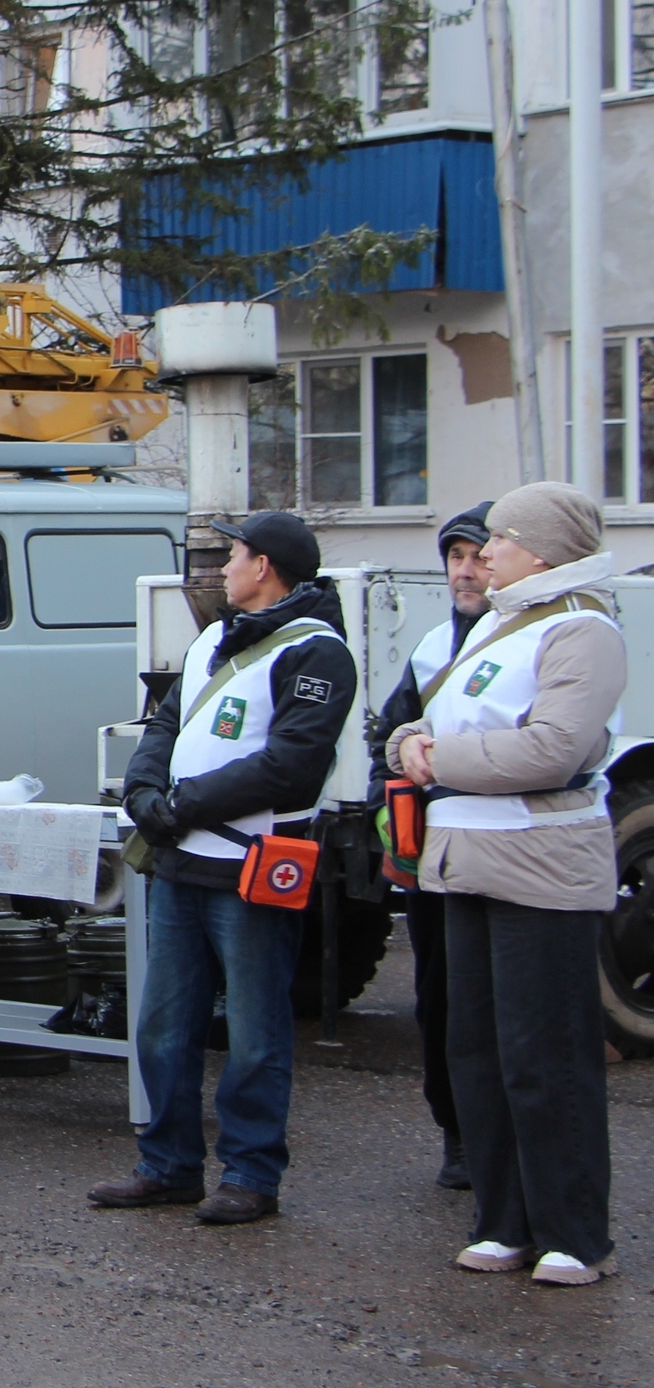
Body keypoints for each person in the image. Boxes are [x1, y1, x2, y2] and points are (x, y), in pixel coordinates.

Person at [387, 483, 628, 1287]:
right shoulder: (492, 626)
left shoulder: (582, 629)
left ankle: (575, 1232)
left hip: (542, 863)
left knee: (544, 1053)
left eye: (499, 539)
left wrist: (437, 759)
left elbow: (551, 751)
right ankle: (502, 1219)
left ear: (545, 549)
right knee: (476, 1048)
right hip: (463, 859)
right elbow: (426, 722)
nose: (482, 554)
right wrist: (410, 746)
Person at [95, 510, 354, 1225]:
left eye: (234, 554)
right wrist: (145, 791)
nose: (223, 567)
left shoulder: (318, 651)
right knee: (164, 1025)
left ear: (264, 565)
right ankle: (168, 1164)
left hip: (250, 866)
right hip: (183, 861)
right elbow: (166, 723)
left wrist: (182, 804)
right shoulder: (214, 636)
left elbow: (292, 767)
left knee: (255, 1029)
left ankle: (250, 1172)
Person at [365, 501, 493, 1190]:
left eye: (477, 556)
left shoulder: (527, 640)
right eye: (455, 557)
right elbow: (386, 737)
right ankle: (458, 1134)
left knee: (497, 1002)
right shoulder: (429, 648)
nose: (465, 572)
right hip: (431, 856)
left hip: (502, 850)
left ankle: (501, 1136)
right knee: (439, 998)